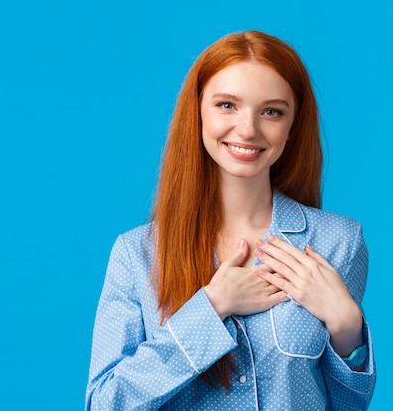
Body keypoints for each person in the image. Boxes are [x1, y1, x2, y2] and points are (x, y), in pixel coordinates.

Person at [85, 30, 376, 410]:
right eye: (227, 105)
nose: (248, 129)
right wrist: (211, 307)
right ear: (198, 111)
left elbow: (346, 406)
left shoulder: (338, 242)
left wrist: (347, 328)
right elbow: (105, 403)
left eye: (271, 111)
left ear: (291, 128)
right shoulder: (136, 254)